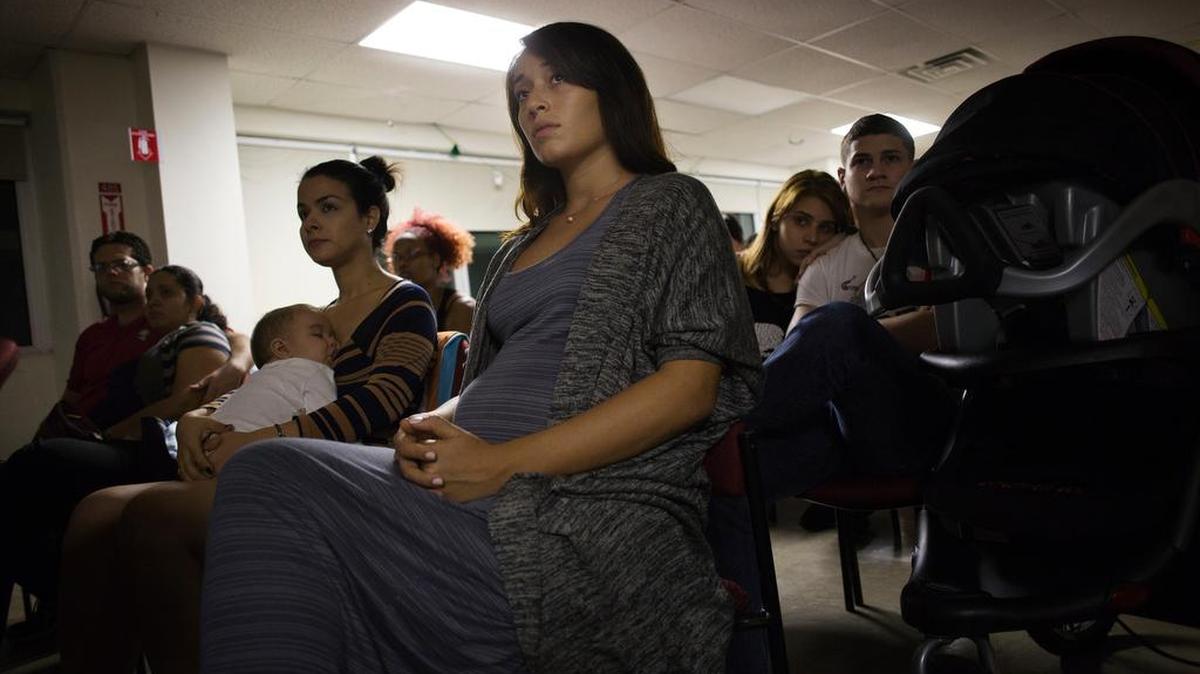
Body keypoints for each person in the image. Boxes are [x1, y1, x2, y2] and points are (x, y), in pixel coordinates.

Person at [198, 21, 759, 674]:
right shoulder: (525, 242)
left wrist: (504, 464)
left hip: (572, 509)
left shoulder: (671, 203)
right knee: (260, 481)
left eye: (557, 79)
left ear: (613, 89)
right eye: (521, 91)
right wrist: (440, 417)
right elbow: (498, 376)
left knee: (269, 477)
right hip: (462, 480)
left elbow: (690, 386)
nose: (534, 102)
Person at [57, 156, 437, 674]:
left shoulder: (405, 302)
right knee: (96, 511)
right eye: (303, 211)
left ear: (370, 218)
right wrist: (200, 417)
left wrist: (264, 438)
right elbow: (262, 384)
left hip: (342, 472)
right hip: (277, 453)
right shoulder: (312, 318)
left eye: (328, 208)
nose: (310, 223)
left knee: (154, 515)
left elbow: (382, 400)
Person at [0, 265, 232, 617]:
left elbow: (191, 400)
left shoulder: (200, 333)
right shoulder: (166, 339)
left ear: (195, 303)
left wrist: (112, 432)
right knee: (20, 500)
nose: (153, 302)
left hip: (158, 455)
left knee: (31, 463)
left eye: (166, 293)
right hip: (134, 445)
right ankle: (76, 599)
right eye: (150, 294)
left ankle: (85, 599)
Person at [737, 170, 852, 358]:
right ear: (776, 219)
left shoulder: (826, 287)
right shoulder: (732, 272)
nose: (812, 238)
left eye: (825, 228)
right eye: (801, 221)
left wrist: (841, 239)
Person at [207, 303, 338, 433]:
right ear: (281, 348)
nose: (333, 342)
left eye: (333, 336)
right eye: (318, 334)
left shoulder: (258, 380)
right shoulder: (313, 370)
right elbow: (326, 426)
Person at [386, 208, 476, 334]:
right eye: (397, 257)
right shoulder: (392, 307)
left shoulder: (462, 308)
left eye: (412, 254)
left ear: (435, 259)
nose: (402, 263)